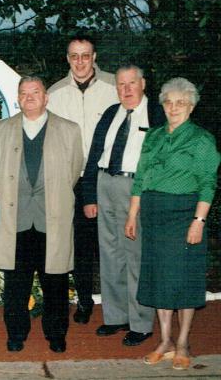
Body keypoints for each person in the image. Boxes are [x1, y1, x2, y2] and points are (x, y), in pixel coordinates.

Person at [125, 78, 220, 370]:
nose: (174, 107)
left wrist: (198, 221)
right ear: (162, 105)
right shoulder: (152, 136)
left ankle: (182, 343)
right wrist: (132, 214)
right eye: (169, 102)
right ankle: (165, 341)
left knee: (184, 281)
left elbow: (208, 183)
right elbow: (140, 178)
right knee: (158, 280)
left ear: (191, 107)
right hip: (153, 216)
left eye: (181, 102)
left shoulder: (201, 140)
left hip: (184, 215)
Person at [0, 76, 83, 353]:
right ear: (18, 98)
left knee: (54, 282)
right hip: (16, 218)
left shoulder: (69, 130)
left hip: (51, 219)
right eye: (23, 93)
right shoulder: (1, 129)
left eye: (35, 92)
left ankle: (56, 334)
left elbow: (74, 172)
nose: (29, 97)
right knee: (16, 285)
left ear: (46, 97)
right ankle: (16, 334)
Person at [82, 66, 164, 346]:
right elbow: (95, 154)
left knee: (135, 254)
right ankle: (116, 317)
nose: (126, 89)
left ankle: (141, 322)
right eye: (121, 84)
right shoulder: (110, 114)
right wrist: (89, 196)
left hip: (136, 189)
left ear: (143, 83)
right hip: (105, 183)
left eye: (131, 83)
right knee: (110, 253)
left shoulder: (157, 114)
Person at [47, 35, 118, 324]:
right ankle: (85, 301)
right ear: (67, 59)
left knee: (113, 243)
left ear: (95, 57)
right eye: (74, 56)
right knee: (82, 245)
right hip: (74, 181)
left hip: (109, 177)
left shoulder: (115, 88)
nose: (80, 62)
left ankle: (120, 306)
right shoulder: (55, 93)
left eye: (85, 55)